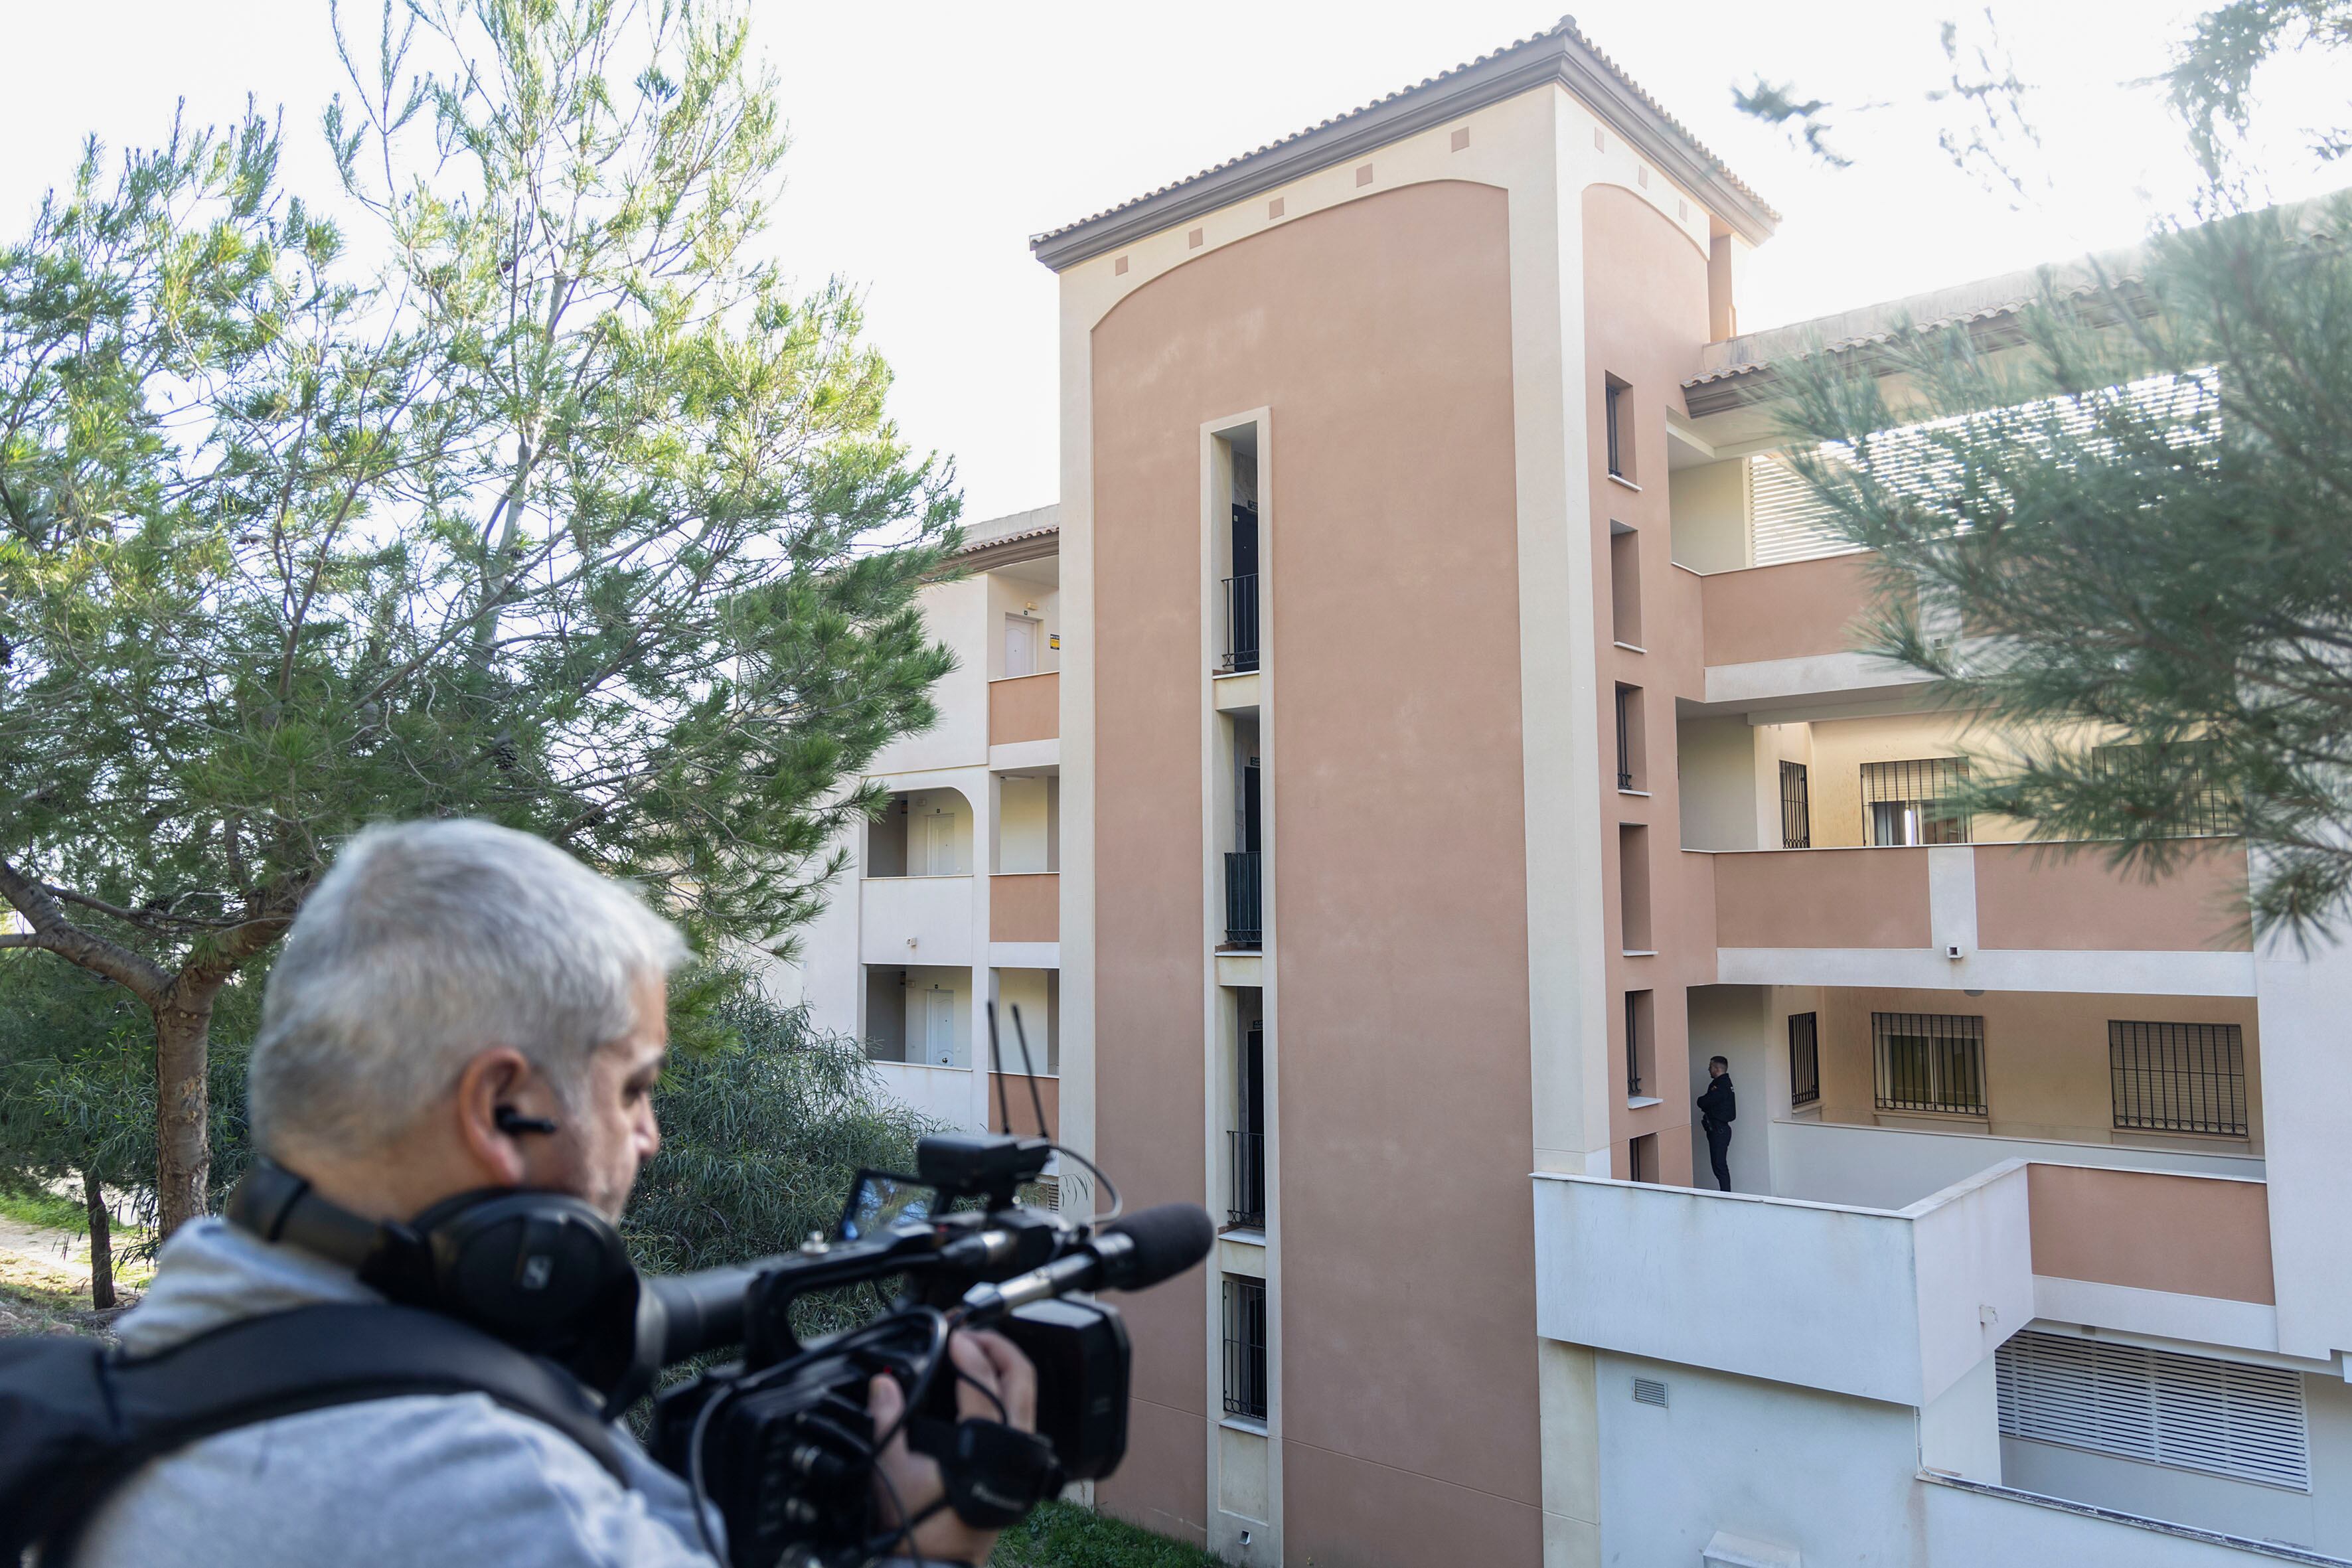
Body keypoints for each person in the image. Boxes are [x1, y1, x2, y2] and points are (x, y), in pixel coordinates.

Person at [72, 819, 1032, 1568]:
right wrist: (926, 1545)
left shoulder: (147, 1357)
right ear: (500, 1104)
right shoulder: (503, 1505)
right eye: (632, 1087)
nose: (649, 1135)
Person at [1696, 1056, 1737, 1193]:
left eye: (1711, 1067)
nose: (1709, 1069)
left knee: (1719, 1165)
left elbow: (1704, 1102)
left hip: (1719, 1130)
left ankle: (1726, 1195)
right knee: (1718, 1165)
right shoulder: (1724, 1083)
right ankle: (1726, 1193)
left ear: (1717, 1068)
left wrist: (1702, 1101)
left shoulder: (1721, 1085)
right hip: (1719, 1129)